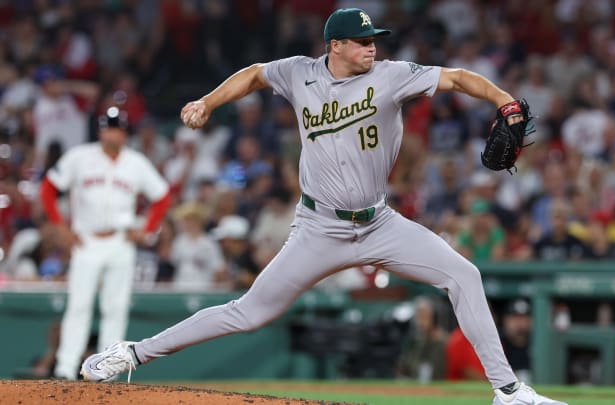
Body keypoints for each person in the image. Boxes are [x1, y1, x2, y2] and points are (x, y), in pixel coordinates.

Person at [80, 8, 565, 405]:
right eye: (361, 40)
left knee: (465, 276)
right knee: (248, 312)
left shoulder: (393, 76)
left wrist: (505, 102)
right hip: (319, 228)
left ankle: (508, 392)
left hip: (380, 223)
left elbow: (458, 78)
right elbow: (252, 75)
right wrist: (208, 102)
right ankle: (132, 354)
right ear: (335, 45)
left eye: (373, 38)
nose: (371, 46)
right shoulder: (299, 73)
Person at [39, 106, 171, 380]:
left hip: (121, 242)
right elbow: (48, 188)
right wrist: (60, 226)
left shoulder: (135, 162)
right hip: (86, 242)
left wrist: (146, 229)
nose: (113, 133)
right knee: (79, 305)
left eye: (118, 128)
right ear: (100, 130)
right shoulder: (80, 157)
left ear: (124, 133)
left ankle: (105, 372)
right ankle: (65, 368)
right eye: (108, 127)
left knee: (116, 308)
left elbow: (162, 196)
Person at [396, 296, 448, 382]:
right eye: (418, 316)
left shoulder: (442, 342)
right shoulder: (416, 340)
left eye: (424, 316)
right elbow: (404, 366)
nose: (420, 321)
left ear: (434, 317)